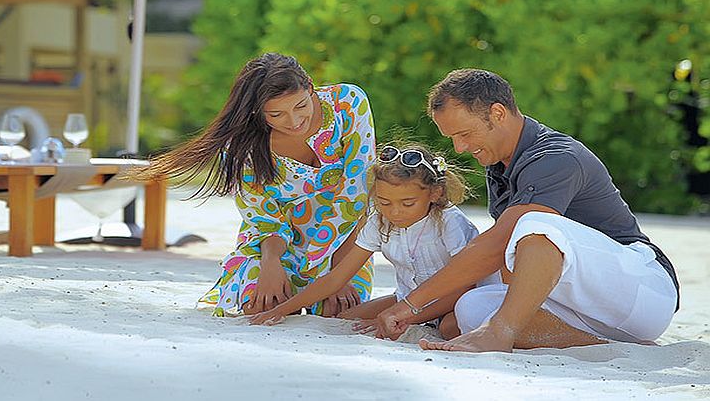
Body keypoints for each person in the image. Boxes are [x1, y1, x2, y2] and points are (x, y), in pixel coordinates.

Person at [375, 69, 680, 352]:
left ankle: (501, 332)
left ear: (497, 113)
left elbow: (495, 246)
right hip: (582, 306)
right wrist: (403, 309)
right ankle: (608, 345)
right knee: (467, 311)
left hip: (641, 293)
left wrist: (409, 306)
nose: (459, 148)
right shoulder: (499, 164)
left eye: (464, 134)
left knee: (532, 223)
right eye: (452, 138)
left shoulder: (556, 157)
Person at [137, 53, 375, 317]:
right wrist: (271, 264)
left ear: (310, 86)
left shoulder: (348, 104)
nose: (294, 121)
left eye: (300, 105)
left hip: (345, 241)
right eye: (276, 114)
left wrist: (336, 273)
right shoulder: (242, 148)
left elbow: (357, 194)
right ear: (257, 112)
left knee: (339, 312)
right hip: (275, 243)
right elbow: (264, 217)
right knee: (258, 305)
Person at [249, 143, 495, 338]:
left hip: (455, 302)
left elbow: (465, 286)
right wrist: (280, 311)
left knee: (449, 328)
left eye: (407, 203)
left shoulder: (450, 223)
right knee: (346, 320)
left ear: (435, 193)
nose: (395, 212)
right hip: (405, 300)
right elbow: (336, 278)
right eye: (384, 202)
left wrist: (406, 316)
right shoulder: (379, 221)